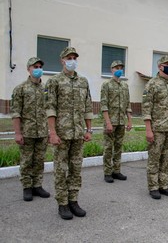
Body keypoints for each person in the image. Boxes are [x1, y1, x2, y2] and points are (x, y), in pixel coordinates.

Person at [45, 47, 93, 220]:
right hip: (61, 134)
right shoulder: (54, 81)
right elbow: (50, 108)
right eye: (69, 57)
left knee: (76, 169)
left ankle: (73, 200)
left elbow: (88, 107)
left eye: (74, 57)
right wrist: (52, 133)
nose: (72, 60)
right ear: (62, 60)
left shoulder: (83, 81)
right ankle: (62, 203)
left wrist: (89, 129)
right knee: (60, 170)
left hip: (78, 133)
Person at [10, 57, 50, 202]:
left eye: (40, 66)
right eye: (35, 67)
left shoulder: (46, 89)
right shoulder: (20, 89)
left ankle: (37, 185)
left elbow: (50, 110)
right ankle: (27, 187)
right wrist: (17, 133)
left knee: (39, 160)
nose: (38, 69)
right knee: (27, 161)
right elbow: (16, 113)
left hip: (43, 132)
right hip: (27, 132)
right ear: (28, 69)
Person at [142, 55, 168, 200]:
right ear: (160, 66)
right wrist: (148, 130)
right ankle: (153, 187)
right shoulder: (152, 84)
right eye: (167, 63)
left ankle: (163, 185)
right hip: (157, 128)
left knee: (166, 158)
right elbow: (146, 108)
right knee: (154, 158)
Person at [100, 60, 132, 183]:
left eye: (120, 67)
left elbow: (128, 104)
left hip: (121, 122)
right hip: (111, 121)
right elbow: (103, 105)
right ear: (111, 69)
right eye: (116, 67)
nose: (119, 69)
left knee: (118, 147)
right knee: (108, 147)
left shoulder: (125, 85)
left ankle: (116, 171)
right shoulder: (106, 85)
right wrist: (108, 122)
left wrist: (129, 120)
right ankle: (107, 172)